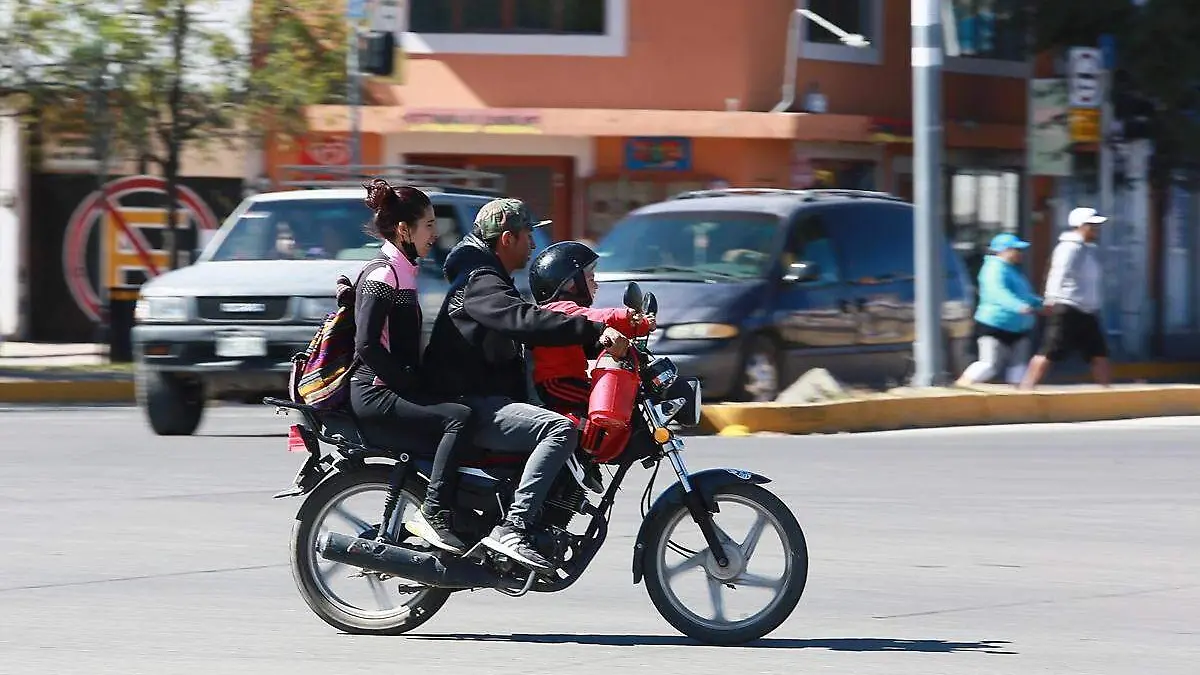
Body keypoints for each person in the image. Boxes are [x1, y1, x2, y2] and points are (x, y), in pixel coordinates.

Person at [421, 198, 631, 572]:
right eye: (528, 236)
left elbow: (531, 332)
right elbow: (523, 320)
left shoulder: (490, 277)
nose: (534, 245)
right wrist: (597, 330)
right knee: (559, 430)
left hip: (486, 396)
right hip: (470, 401)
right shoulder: (480, 280)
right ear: (507, 238)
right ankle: (513, 527)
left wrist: (589, 341)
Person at [347, 178, 474, 555]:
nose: (436, 233)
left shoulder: (405, 270)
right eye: (429, 225)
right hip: (375, 392)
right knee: (459, 418)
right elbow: (366, 345)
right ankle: (433, 512)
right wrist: (406, 384)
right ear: (405, 230)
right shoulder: (384, 274)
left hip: (391, 387)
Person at [527, 241, 656, 491]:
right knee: (593, 407)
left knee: (605, 401)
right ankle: (583, 456)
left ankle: (585, 456)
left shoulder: (564, 311)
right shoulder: (558, 310)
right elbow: (596, 318)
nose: (595, 283)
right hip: (555, 384)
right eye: (590, 277)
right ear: (570, 282)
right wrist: (630, 319)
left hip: (567, 380)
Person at [1019, 206, 1111, 390]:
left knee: (1098, 352)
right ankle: (1026, 388)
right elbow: (1058, 273)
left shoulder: (1088, 249)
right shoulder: (1068, 248)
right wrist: (1050, 299)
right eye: (1092, 225)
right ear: (1080, 226)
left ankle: (1106, 390)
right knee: (1050, 350)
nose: (1096, 229)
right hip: (1067, 306)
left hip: (1087, 309)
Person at [955, 233, 1042, 387]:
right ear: (1004, 250)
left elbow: (1023, 295)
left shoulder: (1012, 270)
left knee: (1019, 366)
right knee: (989, 364)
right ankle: (961, 386)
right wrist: (1018, 306)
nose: (1020, 253)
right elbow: (997, 292)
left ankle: (1017, 399)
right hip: (995, 325)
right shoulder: (993, 269)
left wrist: (1040, 304)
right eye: (1016, 250)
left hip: (1018, 327)